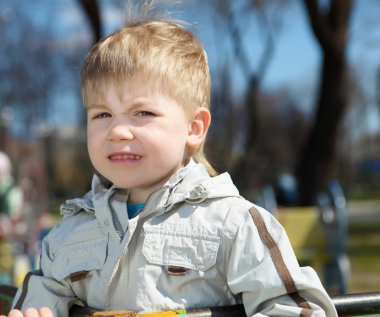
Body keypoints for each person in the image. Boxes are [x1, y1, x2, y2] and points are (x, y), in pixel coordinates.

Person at [3, 19, 338, 317]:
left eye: (142, 113)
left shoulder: (233, 225)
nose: (117, 131)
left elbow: (298, 309)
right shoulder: (67, 235)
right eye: (102, 114)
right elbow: (38, 299)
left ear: (193, 128)